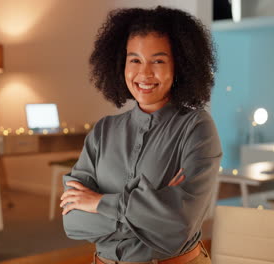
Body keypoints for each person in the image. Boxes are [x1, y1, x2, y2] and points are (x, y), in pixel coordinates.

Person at [60, 6, 222, 264]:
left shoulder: (197, 128)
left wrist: (99, 202)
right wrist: (150, 210)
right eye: (135, 60)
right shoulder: (103, 131)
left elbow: (179, 226)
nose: (144, 73)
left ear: (179, 65)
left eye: (158, 61)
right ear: (120, 63)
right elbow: (74, 221)